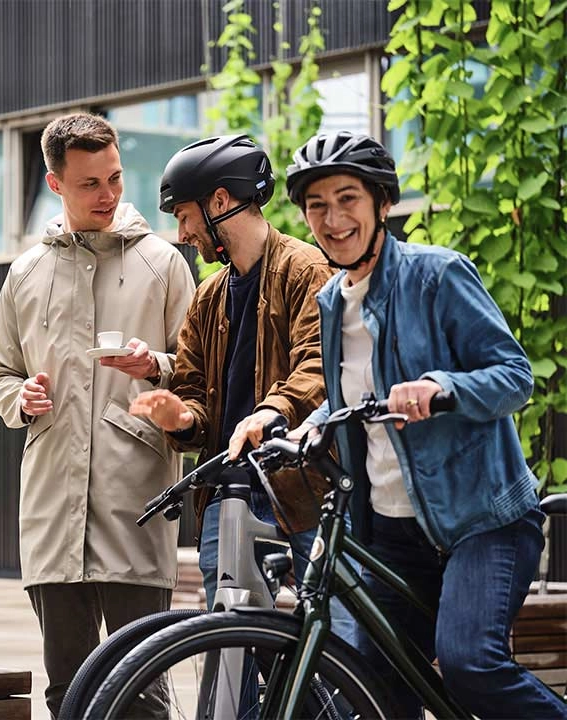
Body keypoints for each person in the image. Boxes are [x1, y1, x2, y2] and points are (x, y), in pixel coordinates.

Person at [285, 130, 567, 719]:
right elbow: (352, 400)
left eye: (347, 199)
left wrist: (444, 387)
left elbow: (516, 376)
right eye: (317, 206)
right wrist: (301, 427)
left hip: (480, 522)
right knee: (383, 688)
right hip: (391, 531)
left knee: (471, 665)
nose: (333, 219)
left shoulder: (437, 275)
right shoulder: (333, 300)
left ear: (381, 203)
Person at [0, 112, 195, 719]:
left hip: (136, 506)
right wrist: (20, 400)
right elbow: (0, 372)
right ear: (55, 185)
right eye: (89, 184)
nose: (108, 195)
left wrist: (152, 364)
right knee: (67, 693)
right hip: (52, 513)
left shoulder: (164, 264)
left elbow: (198, 370)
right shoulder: (25, 274)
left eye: (115, 177)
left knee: (143, 693)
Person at [128, 134, 338, 613]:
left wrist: (270, 412)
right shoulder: (208, 296)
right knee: (230, 649)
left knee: (325, 643)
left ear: (220, 201)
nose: (182, 234)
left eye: (183, 216)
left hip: (303, 491)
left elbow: (319, 367)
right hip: (229, 494)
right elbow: (194, 391)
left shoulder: (306, 270)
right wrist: (181, 417)